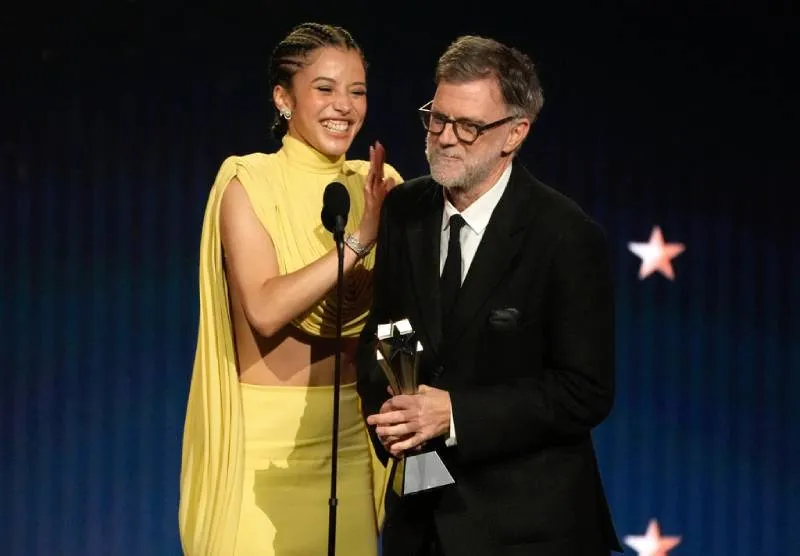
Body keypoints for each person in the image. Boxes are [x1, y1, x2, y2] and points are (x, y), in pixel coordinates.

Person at [357, 35, 622, 555]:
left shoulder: (565, 236)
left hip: (527, 530)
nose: (446, 138)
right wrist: (395, 416)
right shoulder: (405, 210)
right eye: (437, 118)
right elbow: (382, 336)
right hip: (421, 522)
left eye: (469, 126)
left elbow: (584, 390)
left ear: (515, 133)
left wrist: (453, 415)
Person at [179, 22, 401, 556]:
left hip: (350, 439)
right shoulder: (247, 181)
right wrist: (359, 243)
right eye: (324, 89)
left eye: (357, 91)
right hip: (263, 449)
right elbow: (266, 307)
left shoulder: (379, 183)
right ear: (284, 98)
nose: (343, 106)